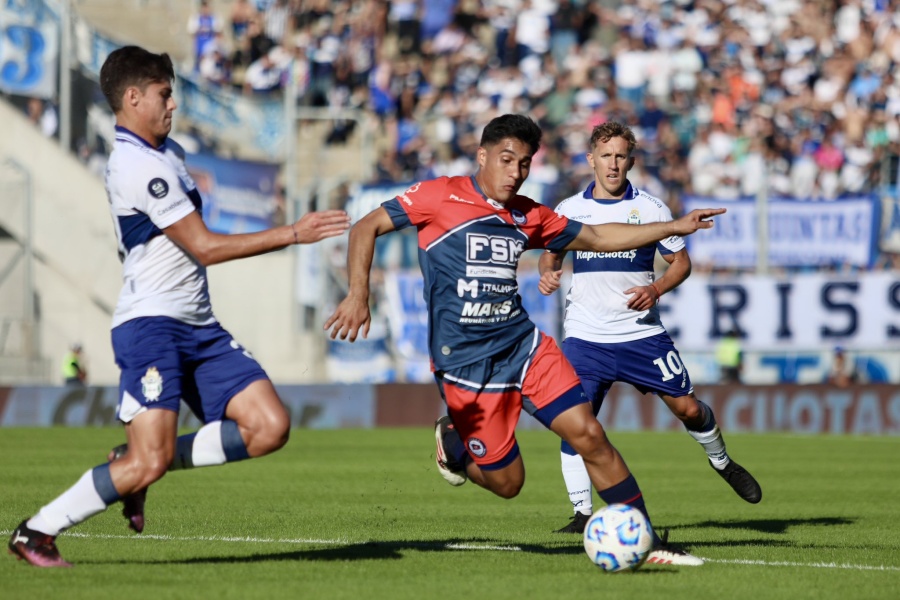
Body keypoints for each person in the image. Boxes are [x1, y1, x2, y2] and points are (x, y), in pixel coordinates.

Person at [324, 114, 726, 566]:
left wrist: (672, 227)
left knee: (589, 434)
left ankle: (646, 540)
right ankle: (453, 443)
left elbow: (596, 236)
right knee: (509, 483)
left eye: (525, 164)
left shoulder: (528, 213)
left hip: (524, 346)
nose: (515, 172)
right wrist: (358, 293)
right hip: (467, 364)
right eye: (506, 160)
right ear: (482, 156)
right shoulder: (439, 196)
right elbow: (365, 227)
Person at [7, 45, 350, 568]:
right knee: (152, 460)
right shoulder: (136, 164)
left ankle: (141, 461)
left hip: (198, 325)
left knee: (269, 426)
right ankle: (36, 530)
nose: (173, 105)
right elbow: (205, 247)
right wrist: (292, 233)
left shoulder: (170, 155)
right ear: (133, 97)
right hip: (152, 327)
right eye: (164, 95)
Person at [537, 121, 762, 535]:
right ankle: (583, 513)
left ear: (632, 161)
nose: (613, 163)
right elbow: (550, 256)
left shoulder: (653, 209)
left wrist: (656, 288)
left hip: (641, 334)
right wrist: (548, 274)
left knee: (688, 409)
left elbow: (682, 262)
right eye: (605, 156)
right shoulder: (569, 210)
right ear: (591, 160)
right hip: (586, 337)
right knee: (575, 422)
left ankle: (721, 461)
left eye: (621, 156)